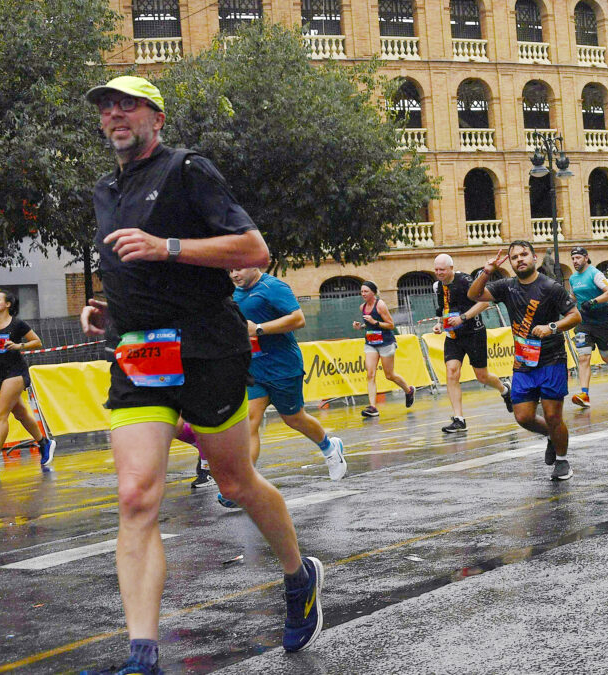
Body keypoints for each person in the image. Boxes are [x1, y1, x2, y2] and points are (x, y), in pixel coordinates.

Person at [80, 76, 322, 673]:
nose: (114, 114)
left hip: (205, 349)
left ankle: (299, 575)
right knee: (136, 496)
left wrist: (168, 247)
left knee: (236, 482)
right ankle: (143, 655)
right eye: (106, 107)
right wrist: (113, 311)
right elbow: (132, 265)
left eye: (127, 105)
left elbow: (253, 249)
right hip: (137, 352)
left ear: (155, 118)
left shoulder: (189, 169)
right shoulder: (105, 189)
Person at [229, 266, 347, 500]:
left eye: (239, 268)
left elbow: (298, 319)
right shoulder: (233, 293)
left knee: (294, 418)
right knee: (250, 421)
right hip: (254, 368)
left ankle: (330, 448)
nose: (234, 274)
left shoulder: (273, 287)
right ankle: (242, 486)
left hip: (283, 366)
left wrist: (259, 329)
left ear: (254, 265)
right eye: (230, 269)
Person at [467, 241, 581, 481]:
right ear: (510, 262)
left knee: (552, 415)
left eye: (524, 254)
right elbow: (474, 294)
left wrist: (552, 327)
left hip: (552, 359)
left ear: (534, 257)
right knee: (523, 417)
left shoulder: (551, 287)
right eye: (514, 257)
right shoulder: (507, 287)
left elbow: (575, 316)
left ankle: (562, 461)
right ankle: (552, 437)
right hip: (523, 362)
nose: (520, 259)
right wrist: (487, 271)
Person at [0, 290, 56, 472]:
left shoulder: (17, 324)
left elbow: (37, 341)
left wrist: (19, 346)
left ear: (7, 304)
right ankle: (44, 443)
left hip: (16, 373)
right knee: (20, 414)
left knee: (0, 414)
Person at [431, 253, 512, 433]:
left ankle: (505, 388)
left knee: (482, 376)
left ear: (451, 268)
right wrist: (438, 324)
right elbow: (441, 310)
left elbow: (485, 303)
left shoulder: (465, 281)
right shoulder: (437, 286)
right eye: (436, 269)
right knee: (451, 372)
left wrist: (463, 317)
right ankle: (459, 418)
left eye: (442, 270)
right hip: (453, 336)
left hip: (474, 333)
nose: (439, 273)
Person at [566, 247, 608, 408]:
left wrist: (594, 301)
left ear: (586, 258)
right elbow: (573, 297)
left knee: (607, 356)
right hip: (584, 321)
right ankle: (585, 394)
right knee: (583, 357)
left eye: (578, 258)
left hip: (602, 321)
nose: (575, 261)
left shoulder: (595, 274)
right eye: (573, 258)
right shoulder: (573, 278)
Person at [353, 281, 415, 417]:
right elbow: (368, 325)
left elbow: (391, 324)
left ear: (373, 292)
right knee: (370, 374)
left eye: (366, 291)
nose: (363, 294)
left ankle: (408, 390)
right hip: (370, 343)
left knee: (389, 375)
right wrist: (360, 326)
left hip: (385, 343)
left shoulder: (380, 305)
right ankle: (373, 407)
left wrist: (375, 322)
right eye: (362, 291)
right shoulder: (362, 307)